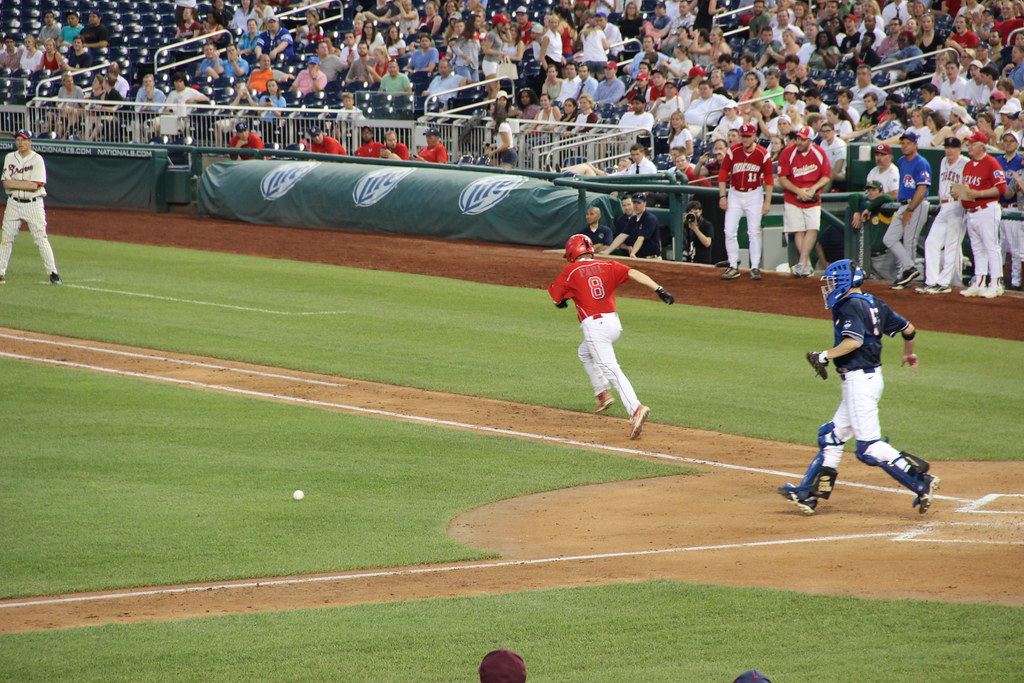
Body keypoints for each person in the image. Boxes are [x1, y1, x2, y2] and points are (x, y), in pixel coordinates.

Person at [778, 259, 939, 516]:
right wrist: (909, 353)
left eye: (832, 282)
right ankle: (808, 495)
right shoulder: (873, 302)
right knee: (831, 436)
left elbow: (853, 341)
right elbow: (909, 329)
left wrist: (824, 355)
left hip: (859, 381)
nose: (829, 287)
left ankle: (920, 481)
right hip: (869, 379)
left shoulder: (849, 305)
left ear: (843, 281)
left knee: (868, 448)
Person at [548, 233, 674, 439]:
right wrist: (659, 289)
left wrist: (562, 301)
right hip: (614, 325)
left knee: (612, 369)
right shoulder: (608, 265)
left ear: (571, 252)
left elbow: (556, 297)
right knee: (584, 352)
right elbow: (633, 272)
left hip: (595, 328)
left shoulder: (571, 271)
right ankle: (602, 393)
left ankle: (635, 408)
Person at [0, 130, 61, 286]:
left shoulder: (37, 159)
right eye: (18, 140)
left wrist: (15, 183)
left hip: (33, 204)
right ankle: (0, 272)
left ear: (30, 142)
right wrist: (22, 184)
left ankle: (53, 273)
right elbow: (6, 183)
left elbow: (35, 185)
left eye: (24, 140)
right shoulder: (9, 157)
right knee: (6, 239)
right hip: (13, 204)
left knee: (40, 238)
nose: (20, 143)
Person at [718, 123, 774, 280]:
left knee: (754, 232)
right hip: (735, 193)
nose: (745, 139)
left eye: (748, 136)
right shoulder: (733, 151)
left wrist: (767, 202)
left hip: (754, 194)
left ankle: (755, 266)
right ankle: (733, 265)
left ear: (754, 136)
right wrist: (722, 196)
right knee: (729, 231)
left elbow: (769, 178)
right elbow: (723, 173)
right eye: (743, 136)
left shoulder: (762, 153)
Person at [956, 131, 1008, 298]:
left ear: (981, 146)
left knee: (991, 247)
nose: (969, 147)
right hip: (972, 211)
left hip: (987, 209)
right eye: (969, 143)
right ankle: (979, 283)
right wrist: (958, 193)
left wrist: (980, 194)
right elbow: (967, 188)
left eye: (972, 144)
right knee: (977, 249)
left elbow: (1001, 188)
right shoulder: (968, 165)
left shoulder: (992, 163)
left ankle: (996, 284)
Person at [916, 137, 968, 295]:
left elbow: (968, 187)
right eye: (947, 147)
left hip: (958, 205)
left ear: (959, 149)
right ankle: (931, 281)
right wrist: (941, 201)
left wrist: (962, 201)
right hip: (944, 206)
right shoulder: (943, 161)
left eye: (953, 147)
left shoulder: (966, 163)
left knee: (952, 246)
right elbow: (942, 183)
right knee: (931, 242)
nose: (949, 150)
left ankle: (944, 283)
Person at [778, 126, 831, 277]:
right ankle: (805, 264)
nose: (799, 142)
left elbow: (826, 176)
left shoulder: (819, 153)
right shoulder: (788, 152)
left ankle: (802, 263)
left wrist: (813, 188)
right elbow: (782, 178)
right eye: (798, 138)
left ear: (810, 140)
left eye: (803, 139)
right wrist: (799, 191)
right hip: (793, 197)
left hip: (812, 197)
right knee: (799, 230)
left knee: (813, 228)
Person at [885, 131, 931, 290]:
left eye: (908, 143)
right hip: (903, 204)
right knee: (889, 238)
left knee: (909, 241)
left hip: (916, 204)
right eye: (903, 143)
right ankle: (909, 268)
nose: (904, 146)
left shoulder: (921, 163)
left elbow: (922, 188)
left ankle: (905, 276)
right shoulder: (901, 161)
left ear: (915, 145)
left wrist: (910, 209)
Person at [604, 192, 661, 258]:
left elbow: (641, 239)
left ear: (644, 203)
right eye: (634, 203)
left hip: (651, 258)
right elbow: (622, 235)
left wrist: (633, 253)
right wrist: (607, 251)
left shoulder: (650, 218)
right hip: (639, 258)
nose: (636, 206)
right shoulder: (633, 219)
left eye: (639, 203)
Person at [683, 199, 713, 264]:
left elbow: (707, 243)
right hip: (688, 259)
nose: (695, 216)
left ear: (701, 211)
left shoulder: (707, 225)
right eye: (692, 213)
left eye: (696, 213)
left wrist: (695, 229)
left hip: (703, 261)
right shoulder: (685, 225)